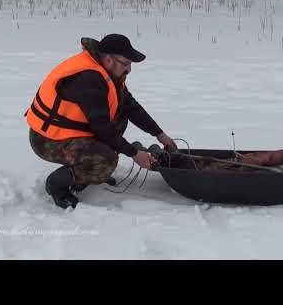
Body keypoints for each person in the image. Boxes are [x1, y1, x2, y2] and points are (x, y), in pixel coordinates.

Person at [25, 34, 177, 209]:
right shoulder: (90, 79)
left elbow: (130, 106)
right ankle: (57, 184)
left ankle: (89, 170)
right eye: (125, 63)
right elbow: (103, 129)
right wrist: (135, 153)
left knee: (120, 119)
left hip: (70, 131)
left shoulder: (107, 72)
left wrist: (160, 134)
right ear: (109, 59)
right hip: (47, 139)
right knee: (105, 161)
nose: (129, 70)